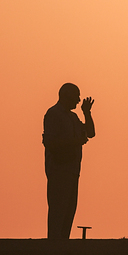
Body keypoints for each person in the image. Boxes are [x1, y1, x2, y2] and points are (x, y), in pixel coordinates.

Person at [43, 83, 95, 239]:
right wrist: (74, 142)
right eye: (76, 96)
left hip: (73, 171)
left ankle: (63, 243)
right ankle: (54, 246)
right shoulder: (53, 114)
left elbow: (90, 133)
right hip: (59, 169)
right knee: (58, 210)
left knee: (69, 210)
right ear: (65, 95)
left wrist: (87, 113)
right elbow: (50, 142)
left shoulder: (73, 117)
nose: (79, 100)